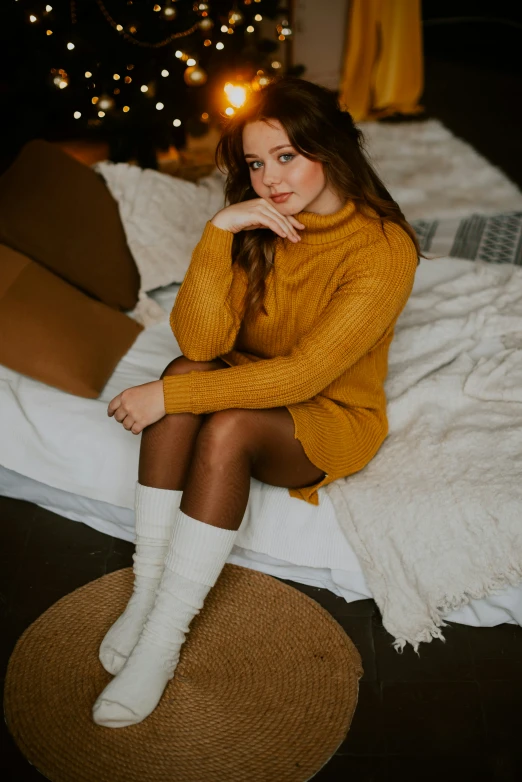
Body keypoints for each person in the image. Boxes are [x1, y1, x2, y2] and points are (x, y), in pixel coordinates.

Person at [92, 76, 421, 727]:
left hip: (328, 418)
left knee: (220, 422)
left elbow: (302, 376)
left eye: (287, 156)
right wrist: (219, 230)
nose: (269, 178)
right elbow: (202, 338)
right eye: (255, 162)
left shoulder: (383, 250)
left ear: (329, 149)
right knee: (183, 365)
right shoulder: (261, 221)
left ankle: (162, 638)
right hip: (252, 378)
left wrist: (171, 395)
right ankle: (146, 586)